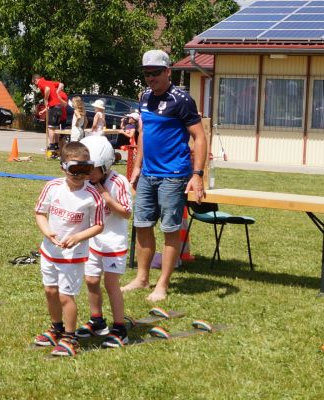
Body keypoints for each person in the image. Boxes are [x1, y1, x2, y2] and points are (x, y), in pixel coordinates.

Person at [122, 49, 206, 302]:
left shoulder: (182, 100)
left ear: (168, 71)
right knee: (142, 225)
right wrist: (138, 166)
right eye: (147, 73)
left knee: (170, 229)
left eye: (156, 72)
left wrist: (197, 174)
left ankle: (162, 284)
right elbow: (144, 134)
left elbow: (200, 137)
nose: (151, 77)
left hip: (173, 175)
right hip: (148, 174)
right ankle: (142, 278)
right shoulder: (145, 97)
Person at [33, 141, 104, 357]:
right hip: (50, 251)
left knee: (66, 296)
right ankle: (56, 328)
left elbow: (98, 225)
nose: (80, 175)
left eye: (86, 169)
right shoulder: (52, 187)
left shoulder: (92, 196)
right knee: (50, 291)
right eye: (75, 169)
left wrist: (78, 237)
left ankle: (70, 338)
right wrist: (48, 232)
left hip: (73, 256)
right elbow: (40, 213)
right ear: (63, 167)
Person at [76, 136, 132, 348]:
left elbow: (126, 213)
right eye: (85, 168)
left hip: (113, 243)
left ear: (106, 165)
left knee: (110, 284)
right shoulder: (85, 183)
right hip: (93, 242)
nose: (88, 173)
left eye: (92, 169)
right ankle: (97, 321)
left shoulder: (118, 182)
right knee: (91, 281)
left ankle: (119, 328)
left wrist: (107, 198)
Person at [32, 74, 67, 158]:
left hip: (53, 107)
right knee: (56, 128)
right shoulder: (49, 82)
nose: (35, 85)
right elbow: (61, 84)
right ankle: (56, 145)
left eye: (34, 83)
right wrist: (57, 92)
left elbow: (47, 89)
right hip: (58, 107)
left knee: (50, 128)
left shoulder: (41, 83)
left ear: (36, 80)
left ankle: (52, 146)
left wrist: (45, 99)